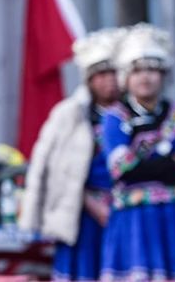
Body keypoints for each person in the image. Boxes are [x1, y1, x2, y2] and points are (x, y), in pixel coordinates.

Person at [99, 24, 175, 281]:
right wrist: (169, 161)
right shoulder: (114, 118)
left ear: (163, 74)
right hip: (133, 223)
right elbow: (121, 169)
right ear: (126, 78)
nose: (145, 77)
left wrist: (141, 162)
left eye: (152, 69)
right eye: (137, 70)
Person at [21, 27, 125, 280]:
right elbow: (48, 166)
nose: (109, 81)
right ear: (89, 79)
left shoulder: (133, 115)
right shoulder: (70, 114)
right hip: (81, 214)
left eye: (113, 73)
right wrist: (90, 202)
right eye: (101, 74)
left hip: (126, 211)